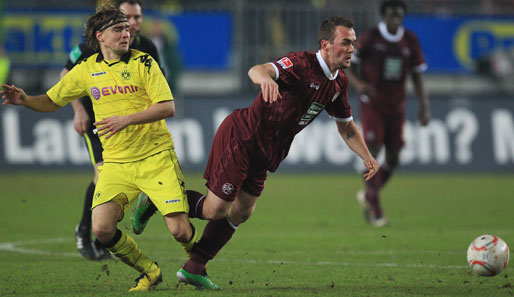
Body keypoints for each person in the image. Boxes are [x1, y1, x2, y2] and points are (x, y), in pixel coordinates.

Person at [133, 16, 379, 289]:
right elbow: (257, 69)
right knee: (216, 209)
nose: (351, 49)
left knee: (243, 211)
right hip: (243, 136)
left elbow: (346, 128)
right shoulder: (301, 63)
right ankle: (157, 199)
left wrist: (367, 156)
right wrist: (266, 80)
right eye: (345, 43)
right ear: (326, 44)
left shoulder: (339, 84)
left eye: (353, 44)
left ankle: (194, 267)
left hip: (267, 151)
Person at [2, 5, 197, 292]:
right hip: (117, 163)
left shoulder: (144, 63)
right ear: (100, 36)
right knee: (102, 229)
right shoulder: (86, 69)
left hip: (155, 156)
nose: (126, 33)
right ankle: (149, 271)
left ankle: (197, 266)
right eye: (118, 29)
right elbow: (52, 101)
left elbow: (168, 107)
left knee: (180, 230)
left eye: (127, 29)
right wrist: (25, 100)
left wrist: (126, 119)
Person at [60, 0, 164, 260]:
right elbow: (65, 76)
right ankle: (85, 232)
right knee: (102, 172)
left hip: (128, 125)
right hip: (97, 121)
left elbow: (156, 90)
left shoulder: (147, 48)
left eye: (138, 17)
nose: (134, 23)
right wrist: (79, 111)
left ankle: (102, 234)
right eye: (128, 17)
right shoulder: (89, 47)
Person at [346, 0, 429, 227]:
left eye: (399, 16)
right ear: (384, 16)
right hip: (372, 104)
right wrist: (359, 84)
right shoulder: (371, 38)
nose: (395, 19)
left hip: (396, 106)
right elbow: (350, 64)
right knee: (372, 152)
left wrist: (424, 106)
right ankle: (376, 211)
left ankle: (368, 194)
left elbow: (417, 75)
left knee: (393, 157)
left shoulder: (410, 41)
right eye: (392, 15)